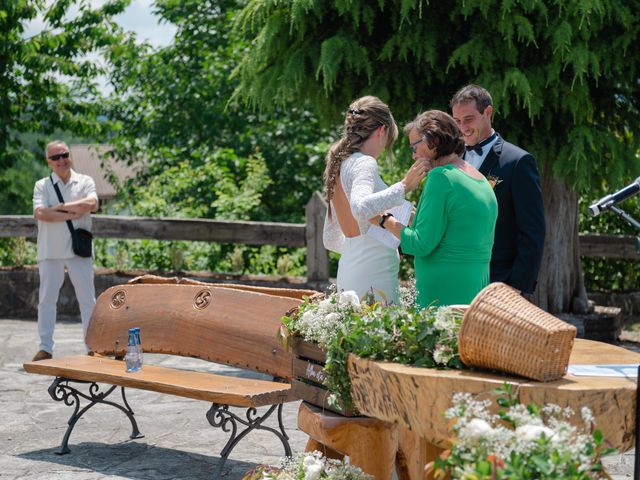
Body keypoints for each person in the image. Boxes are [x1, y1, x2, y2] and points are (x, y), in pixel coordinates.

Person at [372, 110, 498, 308]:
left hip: (444, 290)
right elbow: (454, 231)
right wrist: (415, 217)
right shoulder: (478, 178)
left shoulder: (441, 177)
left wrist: (384, 220)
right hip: (475, 285)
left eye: (414, 147)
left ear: (433, 141)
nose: (413, 156)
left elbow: (420, 244)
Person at [323, 96, 427, 304]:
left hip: (352, 262)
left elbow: (335, 234)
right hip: (373, 269)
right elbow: (361, 209)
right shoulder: (364, 164)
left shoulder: (340, 162)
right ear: (382, 131)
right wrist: (404, 185)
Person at [450, 84, 546, 294]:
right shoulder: (452, 160)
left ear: (488, 112)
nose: (463, 128)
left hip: (499, 281)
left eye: (469, 119)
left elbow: (532, 231)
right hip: (456, 277)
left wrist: (516, 285)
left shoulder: (518, 162)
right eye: (457, 121)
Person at [31, 140, 99, 361]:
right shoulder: (42, 185)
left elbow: (92, 204)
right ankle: (45, 347)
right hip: (50, 251)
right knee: (46, 300)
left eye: (64, 155)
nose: (61, 160)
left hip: (79, 251)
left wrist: (59, 208)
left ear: (70, 156)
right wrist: (71, 211)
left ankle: (93, 346)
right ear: (48, 162)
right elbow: (41, 214)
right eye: (55, 157)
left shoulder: (85, 180)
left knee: (88, 300)